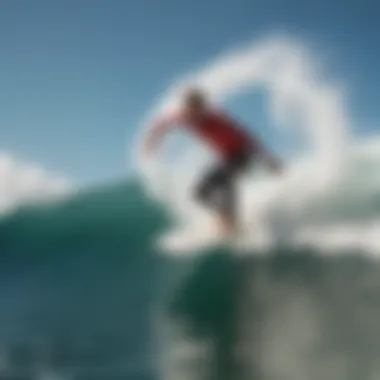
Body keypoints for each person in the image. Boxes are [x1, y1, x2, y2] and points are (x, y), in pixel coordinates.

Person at [142, 87, 283, 236]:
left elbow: (247, 138)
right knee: (200, 194)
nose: (194, 113)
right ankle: (224, 219)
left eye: (198, 108)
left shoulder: (217, 120)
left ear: (203, 107)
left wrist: (268, 159)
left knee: (226, 183)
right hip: (226, 158)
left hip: (241, 155)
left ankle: (233, 224)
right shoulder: (183, 117)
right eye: (191, 108)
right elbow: (161, 124)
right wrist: (151, 143)